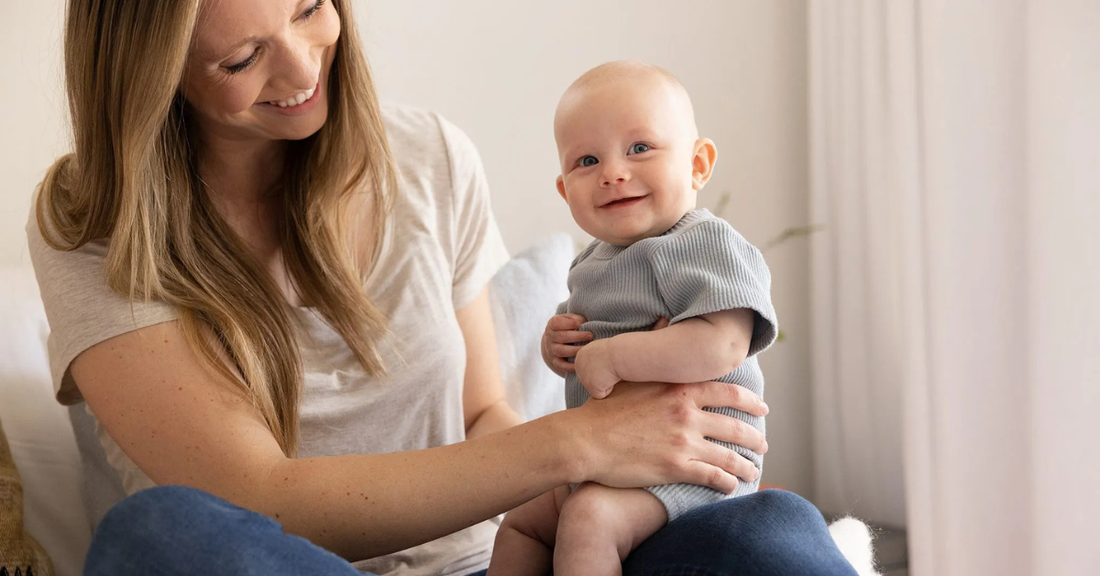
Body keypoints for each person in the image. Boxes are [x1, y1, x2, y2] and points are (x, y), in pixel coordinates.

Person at [26, 1, 858, 575]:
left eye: (310, 8)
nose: (303, 66)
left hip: (479, 564)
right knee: (163, 533)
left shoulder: (428, 157)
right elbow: (255, 498)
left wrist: (595, 502)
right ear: (152, 75)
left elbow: (482, 414)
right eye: (242, 57)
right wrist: (583, 441)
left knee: (771, 530)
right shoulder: (92, 221)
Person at [488, 62, 779, 576]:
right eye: (587, 160)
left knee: (589, 519)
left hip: (697, 460)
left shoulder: (703, 241)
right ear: (565, 191)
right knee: (521, 521)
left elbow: (724, 344)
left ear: (698, 164)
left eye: (639, 148)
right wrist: (558, 346)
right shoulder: (590, 262)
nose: (612, 172)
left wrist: (616, 356)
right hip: (605, 457)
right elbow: (585, 354)